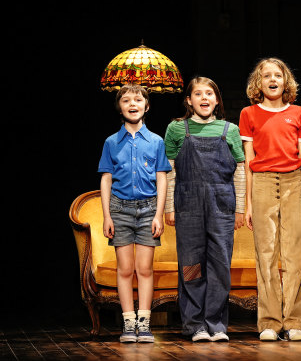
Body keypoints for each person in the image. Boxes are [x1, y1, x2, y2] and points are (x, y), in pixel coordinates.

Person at [164, 77, 246, 342]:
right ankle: (195, 324)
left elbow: (240, 172)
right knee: (191, 265)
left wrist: (240, 209)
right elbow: (170, 171)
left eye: (209, 93)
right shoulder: (178, 129)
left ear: (217, 100)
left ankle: (216, 324)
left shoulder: (229, 129)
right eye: (197, 93)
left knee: (220, 265)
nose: (204, 98)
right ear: (189, 100)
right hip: (188, 205)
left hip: (222, 205)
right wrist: (168, 206)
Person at [239, 57, 301, 342]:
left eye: (277, 75)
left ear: (285, 81)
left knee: (294, 255)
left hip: (293, 181)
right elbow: (248, 161)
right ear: (259, 83)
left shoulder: (298, 113)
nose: (272, 80)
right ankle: (269, 321)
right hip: (263, 182)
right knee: (266, 255)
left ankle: (295, 321)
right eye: (266, 76)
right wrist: (248, 204)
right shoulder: (249, 113)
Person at [98, 84, 171, 343]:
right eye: (126, 100)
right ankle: (129, 323)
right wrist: (107, 215)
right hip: (120, 209)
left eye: (138, 100)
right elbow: (106, 179)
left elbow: (162, 178)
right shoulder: (111, 142)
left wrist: (158, 214)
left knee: (144, 268)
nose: (132, 104)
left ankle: (144, 323)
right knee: (125, 268)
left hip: (148, 208)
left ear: (146, 106)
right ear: (120, 107)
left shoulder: (156, 141)